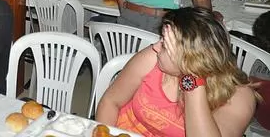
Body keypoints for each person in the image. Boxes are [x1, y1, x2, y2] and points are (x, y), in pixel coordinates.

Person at [96, 7, 257, 137]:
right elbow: (110, 101)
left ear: (191, 58)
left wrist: (191, 79)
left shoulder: (238, 96)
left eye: (165, 45)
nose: (155, 47)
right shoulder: (152, 58)